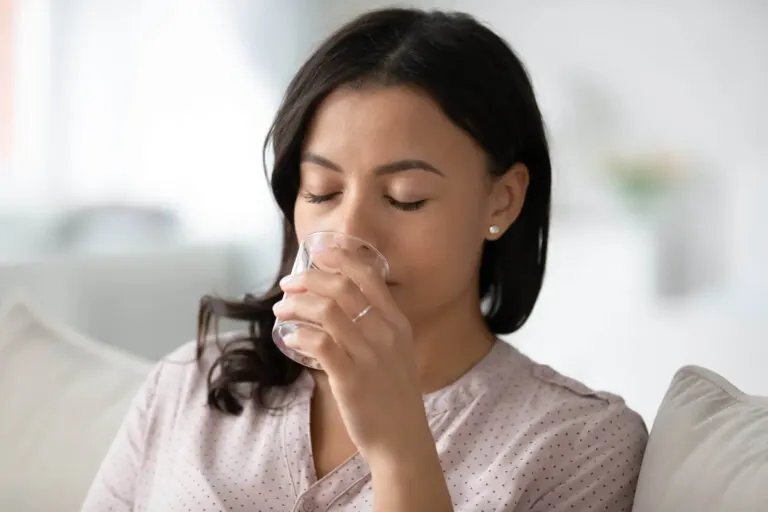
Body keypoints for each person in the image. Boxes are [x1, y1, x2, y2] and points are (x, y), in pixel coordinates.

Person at [81, 7, 647, 512]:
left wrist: (400, 451)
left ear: (502, 199)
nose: (348, 234)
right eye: (322, 192)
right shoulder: (191, 385)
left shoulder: (581, 443)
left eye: (406, 197)